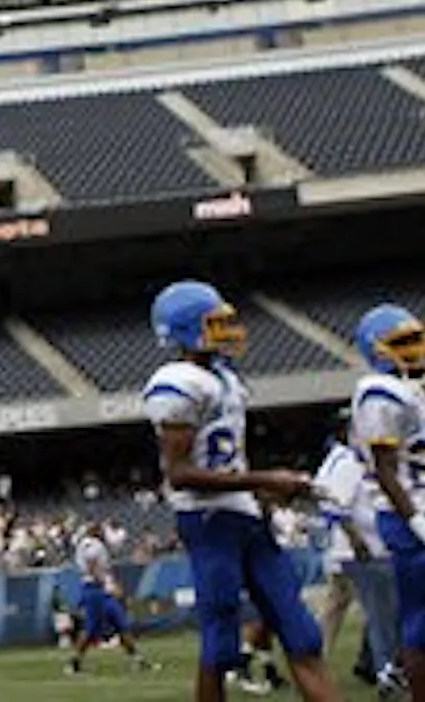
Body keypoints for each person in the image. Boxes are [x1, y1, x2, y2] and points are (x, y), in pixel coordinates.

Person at [142, 279, 341, 702]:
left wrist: (270, 494)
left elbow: (230, 461)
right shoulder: (176, 382)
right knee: (220, 645)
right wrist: (266, 480)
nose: (227, 331)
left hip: (245, 515)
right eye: (215, 324)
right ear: (183, 330)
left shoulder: (226, 381)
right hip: (208, 520)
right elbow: (180, 474)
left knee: (302, 634)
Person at [351, 303, 425, 702]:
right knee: (421, 619)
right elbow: (385, 469)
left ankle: (397, 671)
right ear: (376, 349)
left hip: (415, 504)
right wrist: (416, 519)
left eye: (416, 338)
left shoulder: (412, 388)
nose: (415, 347)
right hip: (407, 512)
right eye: (403, 341)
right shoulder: (378, 393)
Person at [313, 405, 405, 698]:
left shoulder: (342, 458)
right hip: (361, 550)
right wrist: (356, 540)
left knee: (348, 610)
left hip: (354, 550)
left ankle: (366, 665)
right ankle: (384, 671)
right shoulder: (346, 460)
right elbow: (333, 505)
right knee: (382, 615)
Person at [63, 523, 157, 675]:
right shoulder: (92, 544)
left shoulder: (87, 544)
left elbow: (99, 568)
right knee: (91, 628)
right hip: (95, 589)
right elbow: (92, 566)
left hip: (98, 589)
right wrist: (108, 585)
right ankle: (74, 663)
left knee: (121, 623)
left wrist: (111, 583)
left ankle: (137, 660)